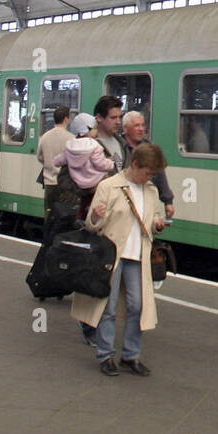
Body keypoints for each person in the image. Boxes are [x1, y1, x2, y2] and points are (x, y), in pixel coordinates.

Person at [72, 142, 167, 376]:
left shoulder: (151, 191)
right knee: (108, 307)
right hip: (112, 255)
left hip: (138, 255)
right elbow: (91, 226)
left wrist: (158, 224)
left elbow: (155, 217)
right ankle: (105, 355)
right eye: (147, 173)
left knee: (138, 306)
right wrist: (95, 216)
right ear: (134, 165)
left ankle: (130, 356)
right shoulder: (109, 186)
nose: (149, 178)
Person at [119, 109, 175, 219]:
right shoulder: (119, 147)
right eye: (136, 126)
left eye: (142, 125)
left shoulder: (149, 147)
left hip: (145, 196)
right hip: (124, 198)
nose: (141, 129)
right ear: (125, 128)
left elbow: (160, 175)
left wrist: (168, 201)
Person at [36, 105, 73, 214]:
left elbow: (39, 157)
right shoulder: (71, 138)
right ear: (66, 119)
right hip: (65, 184)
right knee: (64, 216)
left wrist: (48, 162)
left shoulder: (45, 137)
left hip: (49, 183)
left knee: (49, 215)